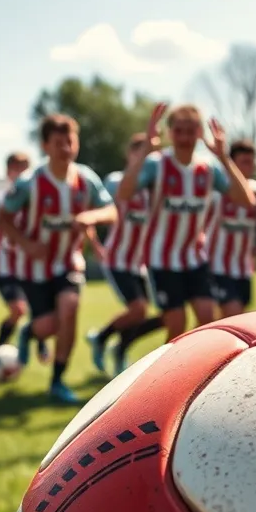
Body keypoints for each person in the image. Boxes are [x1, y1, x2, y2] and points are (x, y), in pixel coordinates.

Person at [0, 114, 117, 404]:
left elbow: (112, 211)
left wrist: (92, 216)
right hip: (33, 268)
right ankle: (29, 332)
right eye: (58, 143)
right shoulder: (29, 183)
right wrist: (27, 244)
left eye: (70, 141)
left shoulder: (86, 179)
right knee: (50, 326)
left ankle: (57, 381)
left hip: (69, 263)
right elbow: (3, 219)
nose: (65, 148)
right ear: (45, 146)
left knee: (69, 309)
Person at [115, 103, 256, 341]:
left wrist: (223, 157)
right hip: (162, 259)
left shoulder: (208, 168)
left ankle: (201, 366)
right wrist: (145, 149)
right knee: (177, 323)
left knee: (208, 319)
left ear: (199, 133)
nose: (184, 138)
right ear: (170, 133)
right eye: (179, 131)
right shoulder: (156, 164)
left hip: (194, 258)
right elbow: (124, 194)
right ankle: (166, 366)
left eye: (190, 132)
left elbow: (247, 201)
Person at [86, 132, 164, 375]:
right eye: (141, 153)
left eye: (151, 155)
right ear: (130, 155)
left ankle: (118, 349)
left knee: (160, 315)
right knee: (138, 309)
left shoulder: (154, 190)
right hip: (117, 259)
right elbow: (94, 212)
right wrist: (96, 245)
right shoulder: (116, 181)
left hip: (140, 264)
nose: (147, 160)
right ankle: (102, 338)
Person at [0, 151, 49, 363]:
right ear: (8, 172)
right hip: (6, 266)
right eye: (16, 168)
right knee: (18, 309)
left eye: (25, 167)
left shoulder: (37, 198)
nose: (21, 172)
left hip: (32, 265)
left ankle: (39, 342)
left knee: (40, 311)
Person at [203, 138, 256, 318]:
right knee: (233, 314)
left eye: (252, 162)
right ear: (232, 163)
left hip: (243, 268)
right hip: (217, 266)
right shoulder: (218, 189)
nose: (249, 166)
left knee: (227, 319)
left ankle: (192, 336)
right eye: (244, 162)